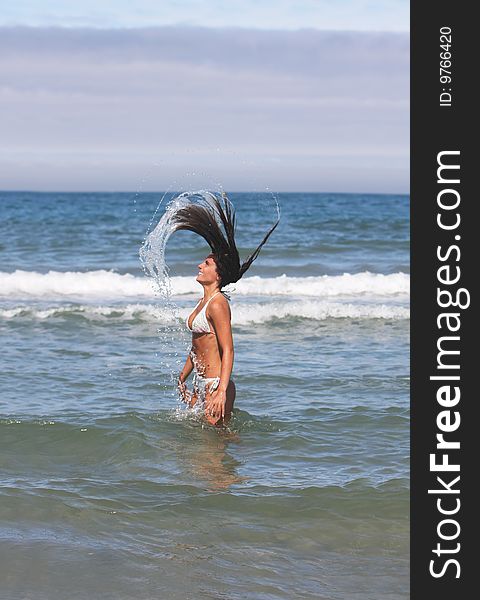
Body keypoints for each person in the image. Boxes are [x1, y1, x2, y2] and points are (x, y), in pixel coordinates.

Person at [173, 192, 279, 426]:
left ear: (217, 274)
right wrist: (182, 377)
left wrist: (221, 390)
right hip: (201, 383)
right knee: (207, 447)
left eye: (207, 264)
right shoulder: (202, 302)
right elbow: (197, 345)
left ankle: (246, 458)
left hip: (214, 383)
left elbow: (228, 349)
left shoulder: (218, 303)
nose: (200, 265)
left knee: (215, 449)